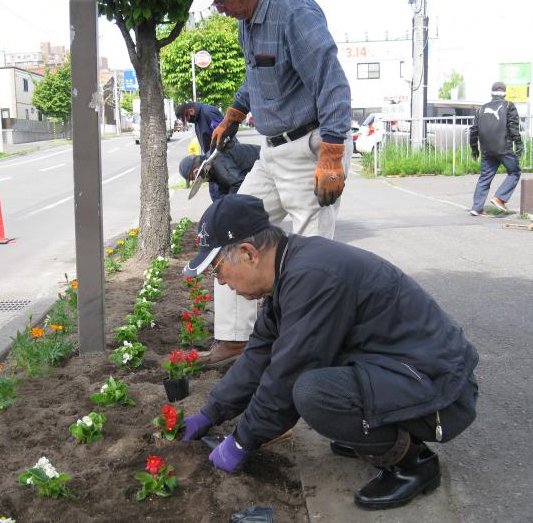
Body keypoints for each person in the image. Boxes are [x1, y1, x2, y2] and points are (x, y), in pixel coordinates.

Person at [181, 194, 479, 510]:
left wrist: (241, 441)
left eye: (218, 270)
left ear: (248, 253)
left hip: (443, 391)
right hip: (410, 370)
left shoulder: (312, 278)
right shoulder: (291, 269)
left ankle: (413, 464)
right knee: (315, 381)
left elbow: (285, 377)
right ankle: (373, 432)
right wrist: (210, 413)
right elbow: (260, 354)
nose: (222, 282)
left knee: (313, 394)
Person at [198, 0, 353, 366]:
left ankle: (302, 359)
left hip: (311, 148)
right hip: (271, 151)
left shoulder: (294, 13)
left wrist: (331, 153)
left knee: (309, 259)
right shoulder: (246, 21)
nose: (218, 7)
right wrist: (234, 113)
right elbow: (258, 77)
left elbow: (332, 81)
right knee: (229, 226)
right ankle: (236, 340)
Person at [469, 81, 523, 216]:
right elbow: (513, 127)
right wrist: (519, 144)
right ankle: (499, 198)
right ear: (505, 94)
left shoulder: (481, 109)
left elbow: (474, 131)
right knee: (515, 171)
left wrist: (474, 149)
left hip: (487, 150)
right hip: (504, 148)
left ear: (491, 94)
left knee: (485, 178)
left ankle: (477, 208)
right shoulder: (509, 106)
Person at [176, 101, 231, 200]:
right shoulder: (197, 121)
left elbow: (225, 137)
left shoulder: (208, 112)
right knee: (215, 195)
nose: (188, 122)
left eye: (187, 118)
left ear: (191, 111)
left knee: (223, 196)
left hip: (225, 161)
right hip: (213, 163)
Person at [178, 143, 260, 195]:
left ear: (196, 168)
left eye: (194, 177)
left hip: (263, 163)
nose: (196, 181)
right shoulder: (210, 166)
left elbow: (238, 183)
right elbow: (224, 186)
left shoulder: (217, 159)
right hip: (254, 172)